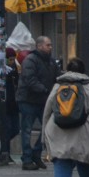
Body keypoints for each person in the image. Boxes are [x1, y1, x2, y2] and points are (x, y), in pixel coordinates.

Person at [17, 35, 56, 170]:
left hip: (43, 100)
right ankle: (27, 159)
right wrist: (45, 90)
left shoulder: (51, 61)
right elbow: (30, 80)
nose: (50, 47)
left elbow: (57, 76)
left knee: (49, 128)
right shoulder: (30, 60)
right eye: (48, 45)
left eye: (50, 45)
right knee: (27, 130)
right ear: (39, 46)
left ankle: (36, 153)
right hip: (28, 100)